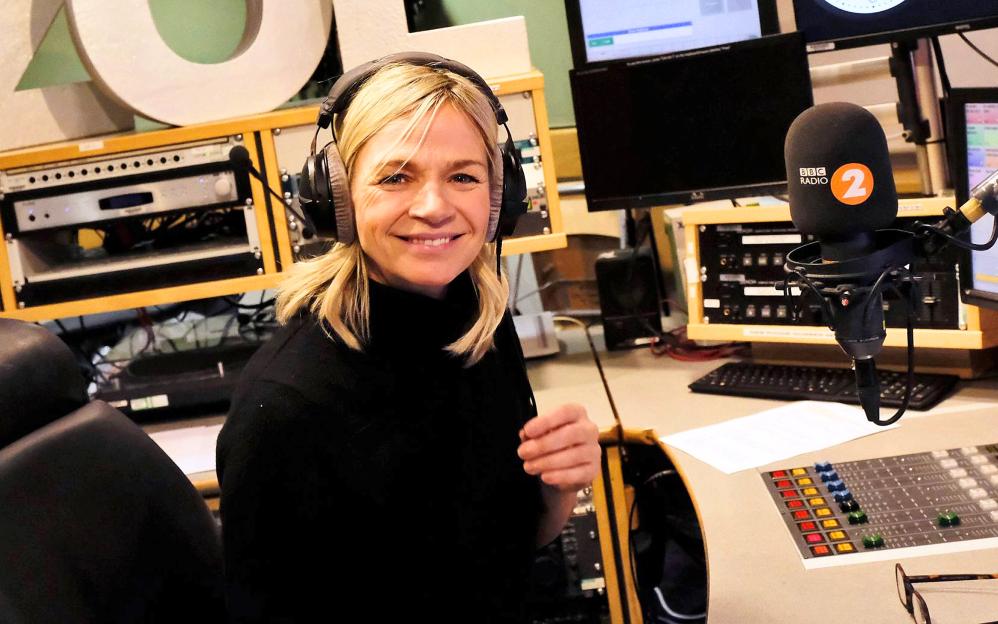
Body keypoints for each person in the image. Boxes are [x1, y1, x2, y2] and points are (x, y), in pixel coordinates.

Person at [216, 54, 601, 624]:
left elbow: (504, 548)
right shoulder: (287, 408)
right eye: (396, 177)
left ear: (498, 198)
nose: (434, 208)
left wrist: (559, 487)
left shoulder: (477, 323)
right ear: (339, 198)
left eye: (463, 176)